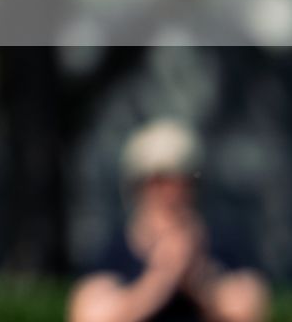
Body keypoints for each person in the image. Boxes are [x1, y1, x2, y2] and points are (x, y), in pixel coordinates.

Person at [67, 119, 270, 322]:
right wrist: (161, 278)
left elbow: (249, 311)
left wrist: (197, 278)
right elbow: (87, 315)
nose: (172, 193)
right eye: (159, 181)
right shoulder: (114, 253)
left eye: (183, 181)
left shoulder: (223, 247)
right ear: (137, 186)